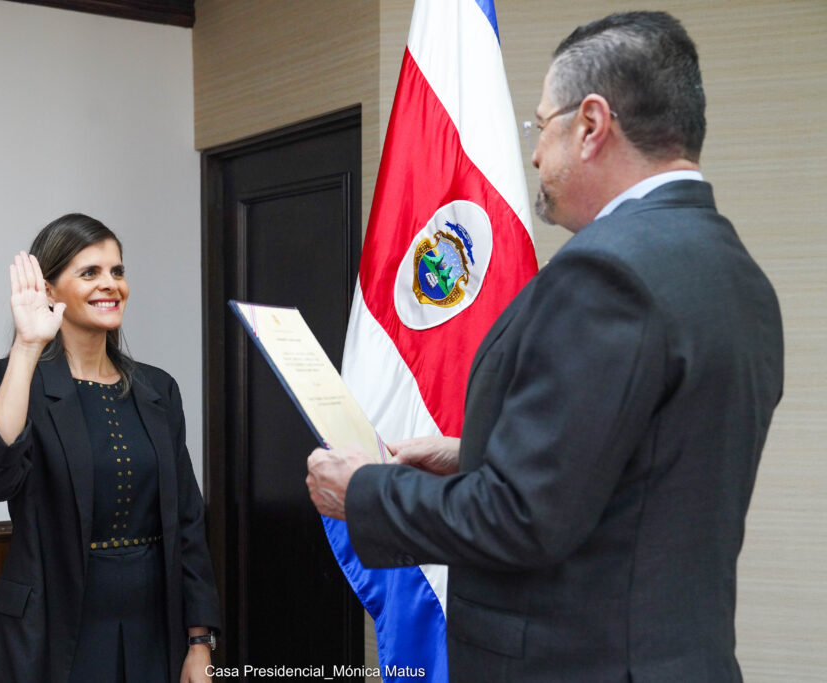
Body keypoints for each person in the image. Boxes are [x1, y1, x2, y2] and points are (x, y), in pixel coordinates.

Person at [306, 11, 783, 682]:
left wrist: (364, 493)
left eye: (541, 127)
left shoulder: (606, 272)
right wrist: (473, 452)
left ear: (591, 125)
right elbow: (640, 462)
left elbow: (521, 518)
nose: (534, 156)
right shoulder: (738, 272)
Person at [0, 213, 220, 682]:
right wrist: (27, 345)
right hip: (51, 627)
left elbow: (188, 519)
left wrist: (200, 642)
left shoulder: (157, 389)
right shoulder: (15, 379)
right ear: (49, 290)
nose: (110, 284)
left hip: (153, 627)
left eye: (117, 271)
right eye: (90, 272)